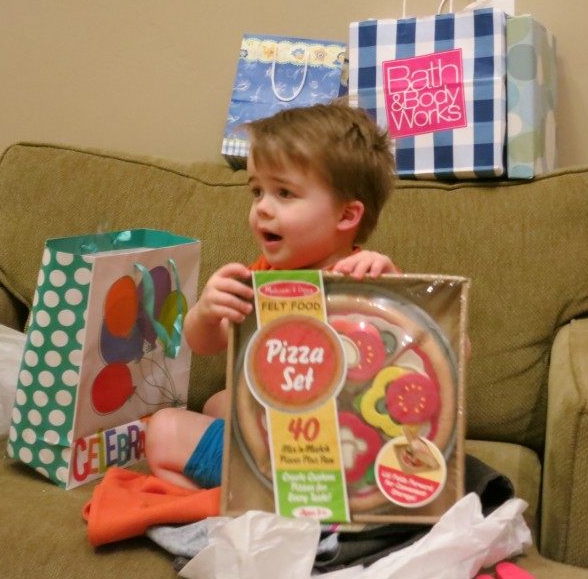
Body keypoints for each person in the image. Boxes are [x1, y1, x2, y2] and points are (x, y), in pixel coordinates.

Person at [145, 103, 399, 490]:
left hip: (338, 453)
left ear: (347, 216)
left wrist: (396, 290)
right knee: (218, 401)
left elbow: (452, 350)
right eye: (257, 191)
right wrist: (207, 312)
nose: (262, 207)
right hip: (277, 437)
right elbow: (205, 344)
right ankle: (245, 502)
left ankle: (242, 502)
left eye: (284, 192)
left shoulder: (368, 276)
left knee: (163, 430)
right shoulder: (263, 275)